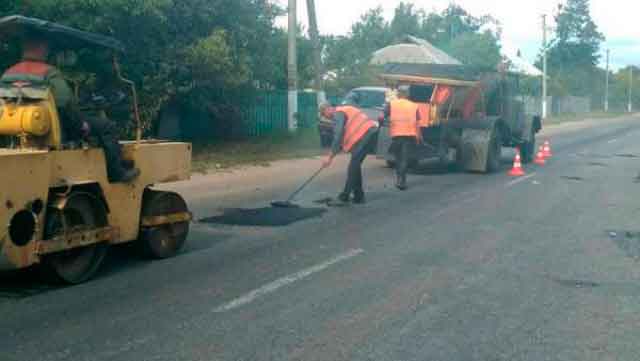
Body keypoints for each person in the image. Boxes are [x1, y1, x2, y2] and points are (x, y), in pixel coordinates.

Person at [0, 35, 140, 183]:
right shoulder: (48, 72)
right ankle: (117, 173)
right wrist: (81, 124)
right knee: (107, 127)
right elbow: (65, 102)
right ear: (42, 49)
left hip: (14, 130)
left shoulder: (8, 73)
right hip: (53, 128)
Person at [320, 103, 378, 205]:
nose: (326, 117)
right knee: (355, 166)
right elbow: (342, 138)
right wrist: (333, 154)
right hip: (368, 134)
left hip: (365, 135)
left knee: (353, 167)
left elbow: (338, 135)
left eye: (324, 113)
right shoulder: (344, 110)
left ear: (329, 109)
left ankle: (344, 197)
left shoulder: (338, 113)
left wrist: (329, 158)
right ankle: (358, 196)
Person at [385, 85, 421, 190]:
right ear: (408, 94)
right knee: (404, 159)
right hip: (409, 135)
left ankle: (399, 179)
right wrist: (419, 137)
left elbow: (382, 116)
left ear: (398, 94)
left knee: (398, 158)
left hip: (396, 135)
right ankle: (402, 180)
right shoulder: (414, 105)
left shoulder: (391, 104)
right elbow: (418, 123)